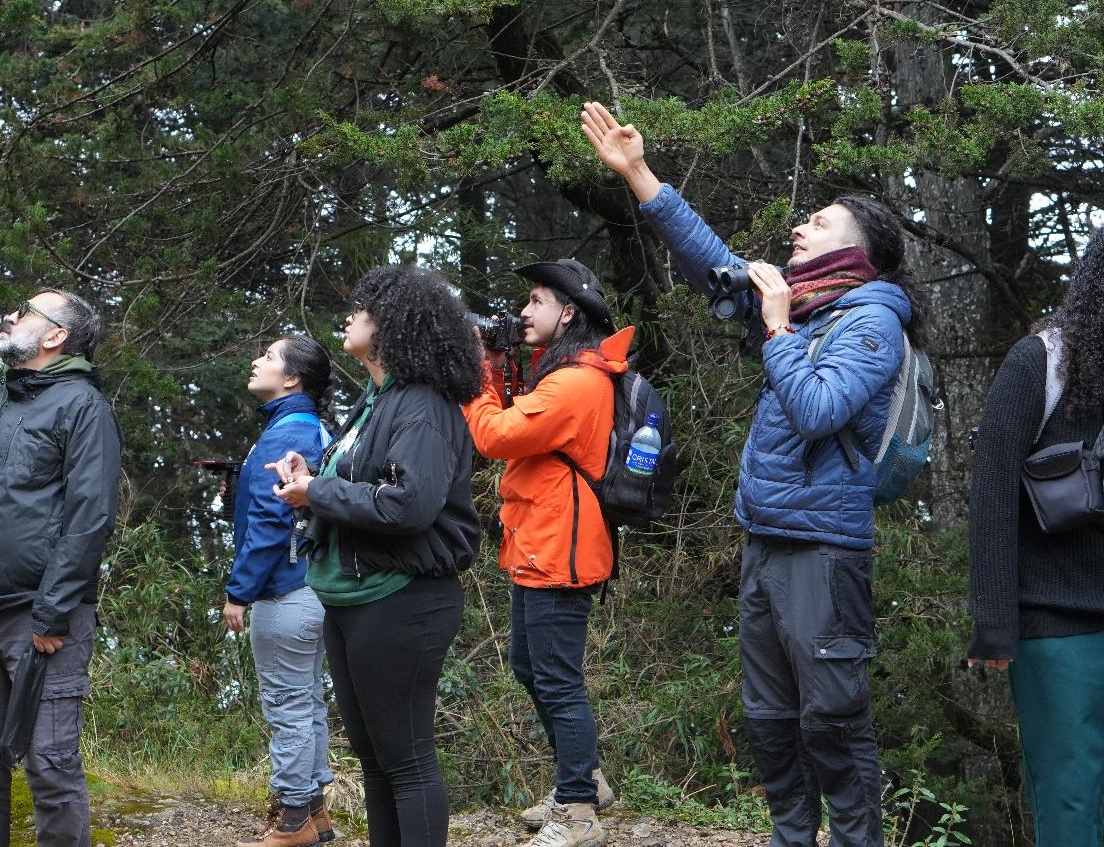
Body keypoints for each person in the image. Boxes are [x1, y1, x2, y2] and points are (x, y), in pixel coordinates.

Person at [582, 101, 926, 846]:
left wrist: (773, 327)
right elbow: (709, 253)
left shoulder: (869, 320)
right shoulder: (804, 309)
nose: (799, 228)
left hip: (824, 552)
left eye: (820, 223)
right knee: (770, 722)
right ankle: (790, 838)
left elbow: (819, 409)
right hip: (767, 539)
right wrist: (638, 172)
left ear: (858, 249)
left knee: (831, 720)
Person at [272, 265, 483, 847]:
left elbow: (409, 506)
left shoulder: (422, 405)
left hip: (403, 599)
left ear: (390, 325)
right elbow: (362, 486)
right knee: (373, 757)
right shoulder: (376, 401)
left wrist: (317, 492)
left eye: (362, 308)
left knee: (407, 759)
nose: (349, 315)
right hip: (352, 599)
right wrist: (308, 481)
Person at [0, 288, 122, 847]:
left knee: (51, 766)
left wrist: (53, 609)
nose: (10, 317)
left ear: (55, 336)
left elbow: (89, 516)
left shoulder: (83, 406)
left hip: (40, 620)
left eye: (26, 312)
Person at [462, 260, 627, 847]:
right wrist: (501, 372)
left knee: (556, 679)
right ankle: (583, 780)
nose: (524, 312)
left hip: (562, 549)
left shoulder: (577, 382)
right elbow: (514, 424)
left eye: (536, 300)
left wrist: (480, 373)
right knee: (531, 668)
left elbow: (495, 436)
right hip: (541, 542)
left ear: (569, 312)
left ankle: (579, 811)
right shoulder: (561, 373)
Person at [968, 227, 1104, 847]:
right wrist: (995, 623)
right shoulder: (1040, 363)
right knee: (1072, 800)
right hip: (1059, 624)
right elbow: (992, 494)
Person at [224, 334, 336, 847]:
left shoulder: (284, 432)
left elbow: (270, 525)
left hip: (284, 590)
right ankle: (314, 812)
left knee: (287, 704)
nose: (256, 360)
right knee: (307, 700)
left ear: (291, 378)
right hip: (312, 587)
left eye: (268, 356)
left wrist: (239, 592)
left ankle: (291, 822)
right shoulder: (311, 426)